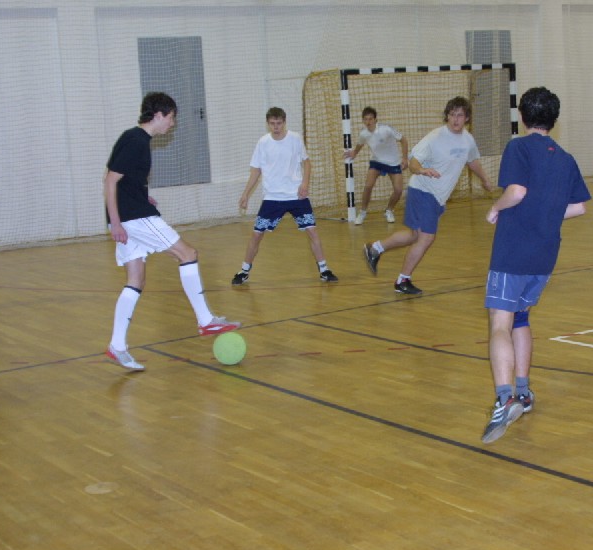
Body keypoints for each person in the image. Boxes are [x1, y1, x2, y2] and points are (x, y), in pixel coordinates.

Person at [480, 87, 590, 444]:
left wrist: (496, 207)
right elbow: (578, 208)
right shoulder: (566, 158)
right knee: (521, 318)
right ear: (554, 120)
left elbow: (516, 192)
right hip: (545, 255)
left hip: (513, 251)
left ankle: (504, 398)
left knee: (500, 322)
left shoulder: (519, 148)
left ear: (522, 116)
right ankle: (524, 392)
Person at [105, 92, 240, 371]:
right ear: (158, 115)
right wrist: (115, 222)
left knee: (135, 280)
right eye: (171, 117)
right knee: (188, 253)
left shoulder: (135, 138)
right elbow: (109, 181)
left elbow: (124, 180)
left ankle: (117, 345)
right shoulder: (136, 141)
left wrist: (142, 195)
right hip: (134, 217)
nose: (173, 123)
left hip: (132, 213)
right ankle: (205, 320)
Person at [363, 96, 492, 295]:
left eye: (460, 115)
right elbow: (414, 162)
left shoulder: (468, 140)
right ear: (447, 116)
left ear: (467, 118)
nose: (455, 119)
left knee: (414, 235)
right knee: (426, 237)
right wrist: (422, 170)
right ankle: (402, 280)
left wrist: (484, 179)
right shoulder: (435, 137)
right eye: (452, 115)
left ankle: (375, 248)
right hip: (423, 191)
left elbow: (472, 160)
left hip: (437, 197)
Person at [232, 107, 338, 286]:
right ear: (268, 123)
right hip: (272, 197)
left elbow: (307, 163)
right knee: (256, 235)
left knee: (312, 231)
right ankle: (244, 271)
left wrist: (304, 184)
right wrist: (245, 194)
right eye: (272, 123)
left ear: (284, 122)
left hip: (296, 196)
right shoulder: (263, 143)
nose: (276, 127)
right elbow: (256, 171)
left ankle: (324, 270)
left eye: (279, 123)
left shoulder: (295, 139)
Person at [344, 107, 409, 224]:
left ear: (375, 119)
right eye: (365, 119)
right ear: (363, 120)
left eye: (370, 119)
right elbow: (360, 144)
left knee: (398, 190)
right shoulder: (363, 134)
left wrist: (404, 158)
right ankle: (362, 212)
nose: (368, 122)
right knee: (368, 186)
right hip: (376, 162)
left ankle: (389, 210)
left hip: (393, 162)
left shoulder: (386, 129)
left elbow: (403, 140)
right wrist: (354, 152)